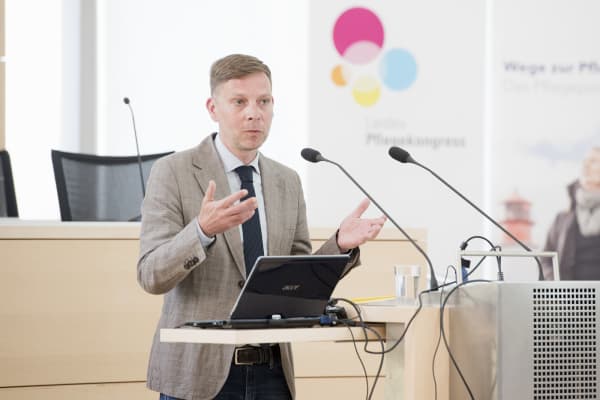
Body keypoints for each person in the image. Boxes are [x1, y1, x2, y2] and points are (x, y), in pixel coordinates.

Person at [137, 54, 386, 400]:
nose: (254, 113)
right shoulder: (173, 172)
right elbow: (151, 275)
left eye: (263, 101)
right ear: (213, 108)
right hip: (199, 374)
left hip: (272, 373)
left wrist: (339, 246)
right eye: (239, 102)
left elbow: (296, 280)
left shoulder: (287, 181)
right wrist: (202, 231)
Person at [542, 147, 600, 280]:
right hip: (570, 292)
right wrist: (556, 285)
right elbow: (546, 259)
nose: (586, 166)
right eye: (585, 161)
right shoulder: (562, 219)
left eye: (593, 161)